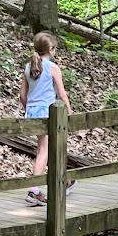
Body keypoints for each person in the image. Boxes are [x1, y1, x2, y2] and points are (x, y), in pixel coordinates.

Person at [21, 31, 72, 207]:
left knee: (47, 147)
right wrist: (69, 112)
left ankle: (62, 180)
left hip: (33, 112)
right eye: (55, 48)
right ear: (50, 49)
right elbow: (62, 94)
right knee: (44, 150)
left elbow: (22, 95)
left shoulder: (29, 67)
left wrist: (30, 109)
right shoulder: (52, 67)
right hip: (48, 112)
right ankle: (34, 190)